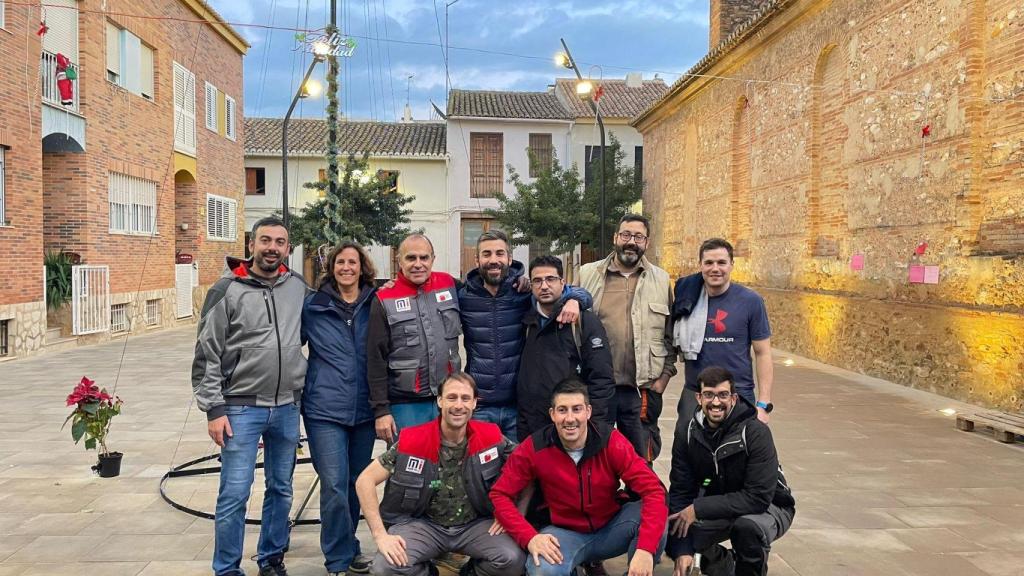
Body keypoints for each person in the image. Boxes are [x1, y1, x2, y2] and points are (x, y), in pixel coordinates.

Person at [191, 216, 308, 576]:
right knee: (234, 494)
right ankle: (227, 568)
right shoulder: (226, 289)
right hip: (241, 408)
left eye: (280, 242)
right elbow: (206, 354)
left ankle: (271, 559)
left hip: (287, 407)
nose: (272, 247)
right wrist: (213, 408)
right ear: (252, 245)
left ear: (288, 248)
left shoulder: (297, 287)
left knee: (282, 489)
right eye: (265, 240)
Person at [489, 377, 668, 576]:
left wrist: (645, 549)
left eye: (577, 409)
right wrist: (529, 537)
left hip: (612, 526)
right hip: (564, 533)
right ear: (552, 414)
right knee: (543, 570)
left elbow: (654, 491)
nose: (570, 418)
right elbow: (499, 495)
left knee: (656, 520)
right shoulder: (535, 447)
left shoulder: (611, 441)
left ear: (588, 412)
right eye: (562, 410)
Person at [354, 372, 526, 576]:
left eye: (465, 398)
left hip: (476, 525)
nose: (458, 405)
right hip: (422, 525)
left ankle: (469, 573)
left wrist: (513, 514)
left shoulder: (492, 436)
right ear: (440, 401)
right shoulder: (412, 441)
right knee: (385, 568)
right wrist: (380, 535)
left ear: (474, 404)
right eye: (452, 397)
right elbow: (365, 480)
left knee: (513, 559)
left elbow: (527, 466)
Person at [460, 230, 593, 439]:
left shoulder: (523, 292)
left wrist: (575, 300)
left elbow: (576, 292)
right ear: (477, 260)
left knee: (518, 468)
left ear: (509, 258)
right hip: (480, 406)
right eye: (486, 254)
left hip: (518, 405)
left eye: (499, 254)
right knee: (481, 469)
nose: (493, 260)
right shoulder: (464, 296)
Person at [666, 366, 795, 576]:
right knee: (672, 530)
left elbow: (758, 497)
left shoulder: (756, 432)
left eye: (723, 395)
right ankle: (725, 566)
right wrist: (682, 550)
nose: (716, 402)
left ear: (734, 398)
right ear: (698, 398)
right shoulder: (687, 433)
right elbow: (681, 491)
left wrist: (699, 508)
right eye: (709, 395)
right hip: (722, 505)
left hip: (770, 507)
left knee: (747, 529)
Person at [302, 242, 379, 576]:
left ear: (362, 267)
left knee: (355, 483)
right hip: (324, 409)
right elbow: (288, 345)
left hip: (364, 410)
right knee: (333, 482)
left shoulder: (376, 303)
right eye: (340, 262)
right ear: (331, 267)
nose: (347, 267)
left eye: (353, 262)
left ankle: (349, 546)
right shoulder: (314, 306)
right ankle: (337, 559)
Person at [578, 214, 676, 461]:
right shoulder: (587, 274)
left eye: (638, 236)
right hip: (597, 388)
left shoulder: (661, 280)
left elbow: (670, 335)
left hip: (641, 390)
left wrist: (663, 379)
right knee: (596, 458)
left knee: (642, 461)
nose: (631, 241)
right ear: (615, 238)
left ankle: (640, 500)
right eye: (626, 235)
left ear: (647, 242)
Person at [368, 234, 462, 443]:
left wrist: (521, 280)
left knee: (450, 469)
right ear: (399, 261)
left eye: (424, 258)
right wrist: (381, 410)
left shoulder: (449, 285)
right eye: (411, 258)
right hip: (405, 407)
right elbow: (375, 359)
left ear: (433, 259)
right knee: (408, 471)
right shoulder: (384, 298)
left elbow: (484, 290)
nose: (418, 264)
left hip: (447, 402)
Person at [673, 238, 774, 425]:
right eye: (709, 263)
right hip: (696, 393)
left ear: (732, 265)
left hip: (738, 394)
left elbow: (763, 352)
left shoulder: (751, 301)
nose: (715, 269)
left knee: (740, 452)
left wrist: (763, 404)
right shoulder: (687, 299)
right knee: (687, 451)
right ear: (700, 265)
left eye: (721, 262)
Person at [517, 255, 614, 440]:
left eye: (550, 279)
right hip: (534, 431)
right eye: (537, 280)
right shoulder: (526, 322)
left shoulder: (584, 322)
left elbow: (601, 379)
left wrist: (595, 427)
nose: (544, 286)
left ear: (563, 283)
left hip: (573, 429)